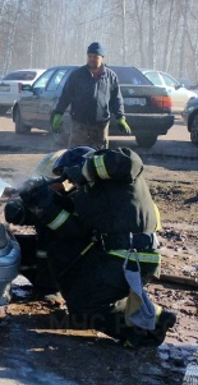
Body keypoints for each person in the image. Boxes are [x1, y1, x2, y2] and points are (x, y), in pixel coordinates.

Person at [10, 145, 177, 348]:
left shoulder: (121, 176)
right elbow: (72, 230)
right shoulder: (89, 196)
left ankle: (150, 326)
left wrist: (84, 168)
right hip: (116, 255)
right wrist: (42, 205)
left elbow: (129, 162)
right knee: (80, 301)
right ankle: (151, 316)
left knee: (85, 309)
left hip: (129, 256)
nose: (69, 182)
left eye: (67, 175)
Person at [50, 42, 130, 149]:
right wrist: (58, 113)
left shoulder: (110, 77)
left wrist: (121, 118)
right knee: (76, 155)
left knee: (99, 157)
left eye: (95, 56)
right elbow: (66, 95)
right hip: (80, 124)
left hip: (101, 125)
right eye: (90, 56)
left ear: (102, 58)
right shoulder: (77, 75)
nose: (92, 59)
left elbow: (116, 99)